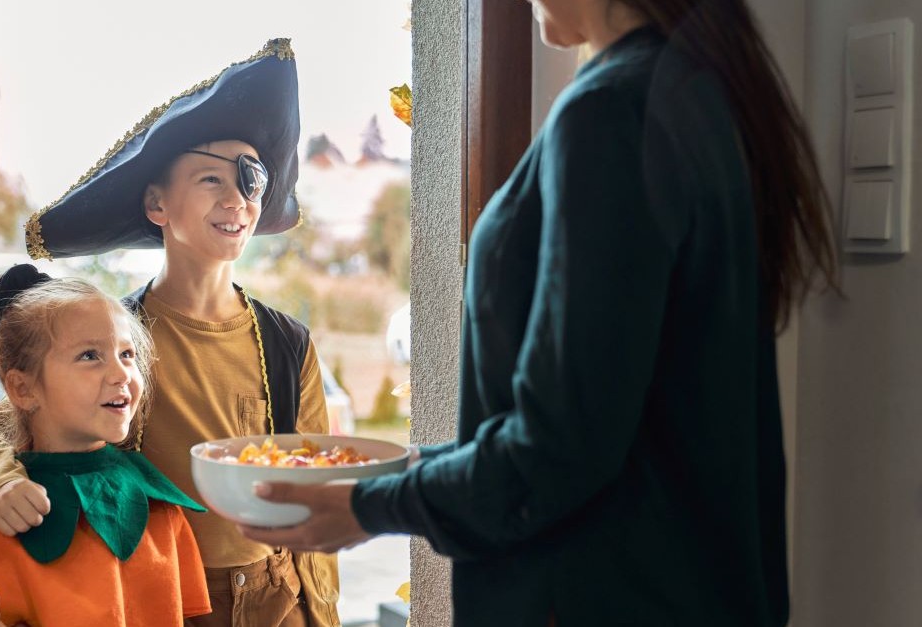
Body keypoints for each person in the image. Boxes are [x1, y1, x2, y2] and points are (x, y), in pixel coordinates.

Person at [239, 2, 840, 626]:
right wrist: (412, 469)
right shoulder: (697, 92)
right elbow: (615, 415)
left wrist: (369, 507)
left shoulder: (611, 113)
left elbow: (558, 451)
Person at [0, 39, 340, 627]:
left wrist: (322, 614)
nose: (237, 198)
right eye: (211, 179)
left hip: (276, 598)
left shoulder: (288, 344)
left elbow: (317, 490)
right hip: (164, 593)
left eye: (250, 179)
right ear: (157, 204)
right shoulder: (116, 341)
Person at [0, 264, 210, 626]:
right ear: (22, 389)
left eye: (127, 354)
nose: (121, 374)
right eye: (89, 355)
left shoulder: (163, 515)